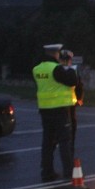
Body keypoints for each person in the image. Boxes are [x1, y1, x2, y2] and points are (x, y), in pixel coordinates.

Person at [33, 43, 79, 181]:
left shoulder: (36, 69)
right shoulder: (56, 69)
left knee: (47, 142)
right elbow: (72, 81)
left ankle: (47, 172)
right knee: (64, 141)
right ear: (56, 54)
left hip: (44, 110)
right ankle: (68, 172)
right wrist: (69, 65)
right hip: (60, 109)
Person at [60, 49, 84, 156]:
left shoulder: (56, 69)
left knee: (60, 126)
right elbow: (79, 85)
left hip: (58, 103)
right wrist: (79, 99)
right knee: (72, 126)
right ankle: (70, 146)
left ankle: (63, 145)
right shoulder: (73, 70)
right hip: (70, 103)